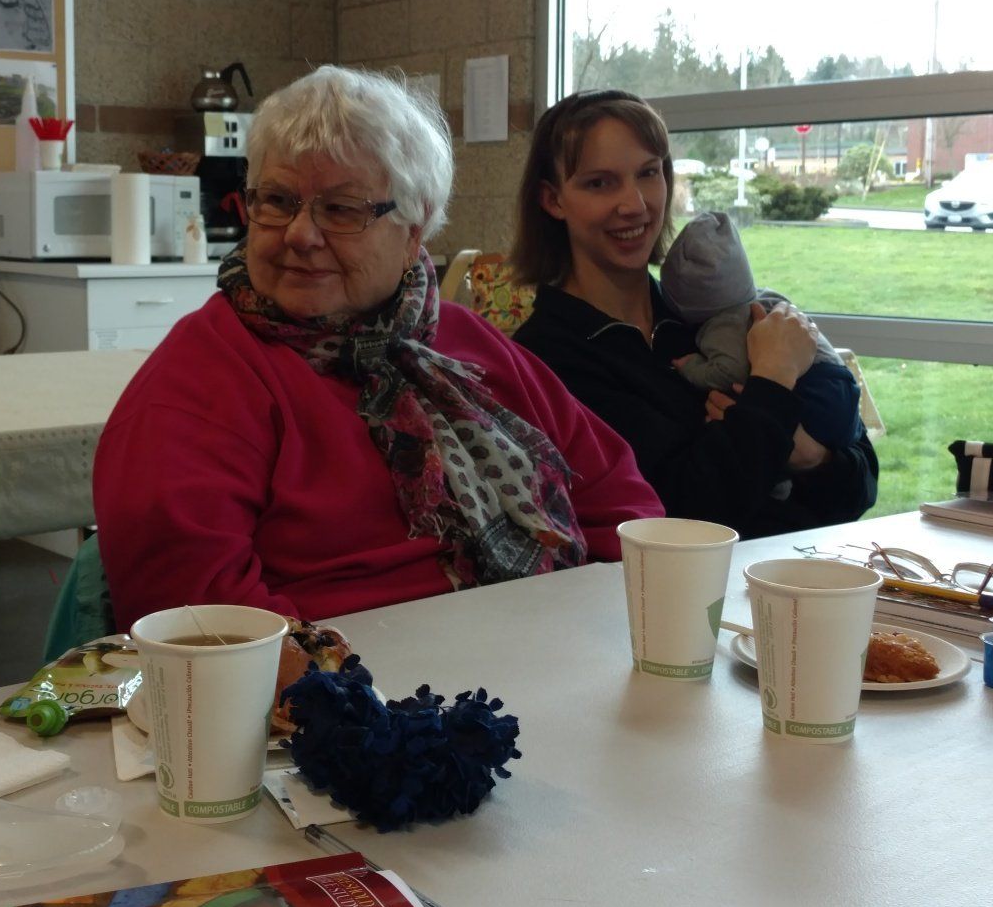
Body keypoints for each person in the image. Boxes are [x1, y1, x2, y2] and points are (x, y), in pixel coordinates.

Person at [92, 66, 659, 628]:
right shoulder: (202, 380)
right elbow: (204, 629)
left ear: (415, 231)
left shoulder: (465, 342)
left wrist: (591, 636)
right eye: (278, 201)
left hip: (544, 658)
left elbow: (622, 504)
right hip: (350, 698)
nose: (300, 234)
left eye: (341, 209)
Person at [510, 89, 877, 539]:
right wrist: (774, 384)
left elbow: (860, 485)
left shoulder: (702, 311)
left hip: (787, 587)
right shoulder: (543, 362)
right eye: (599, 183)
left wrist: (806, 453)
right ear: (553, 199)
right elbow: (684, 520)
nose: (635, 204)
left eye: (648, 173)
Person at [659, 210, 862, 450]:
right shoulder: (763, 296)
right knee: (843, 442)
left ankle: (781, 485)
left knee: (775, 443)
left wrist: (692, 366)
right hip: (840, 384)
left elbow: (730, 371)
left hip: (815, 390)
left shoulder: (723, 325)